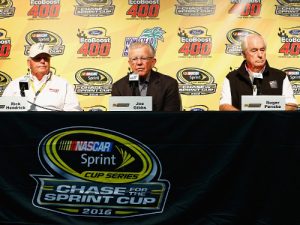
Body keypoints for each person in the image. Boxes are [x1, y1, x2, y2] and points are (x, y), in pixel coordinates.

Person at [219, 34, 297, 111]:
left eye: (262, 50)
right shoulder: (232, 78)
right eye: (254, 50)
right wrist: (244, 118)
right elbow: (224, 105)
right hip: (244, 123)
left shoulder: (280, 76)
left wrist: (267, 108)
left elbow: (292, 105)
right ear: (244, 54)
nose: (260, 55)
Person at [2, 43, 82, 111]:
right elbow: (3, 111)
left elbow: (73, 113)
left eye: (46, 58)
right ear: (29, 63)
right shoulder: (15, 84)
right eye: (37, 58)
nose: (42, 61)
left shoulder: (63, 84)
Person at [111, 42, 181, 111]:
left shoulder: (169, 84)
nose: (139, 63)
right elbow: (117, 118)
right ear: (130, 63)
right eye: (134, 59)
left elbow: (172, 118)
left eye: (144, 58)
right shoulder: (118, 87)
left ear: (153, 62)